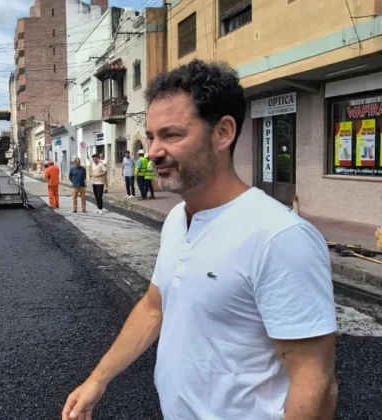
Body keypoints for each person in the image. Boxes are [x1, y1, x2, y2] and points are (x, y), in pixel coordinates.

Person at [62, 60, 337, 420]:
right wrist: (98, 379)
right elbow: (154, 307)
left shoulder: (280, 238)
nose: (154, 151)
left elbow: (314, 381)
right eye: (151, 137)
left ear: (222, 133)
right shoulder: (178, 218)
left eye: (172, 135)